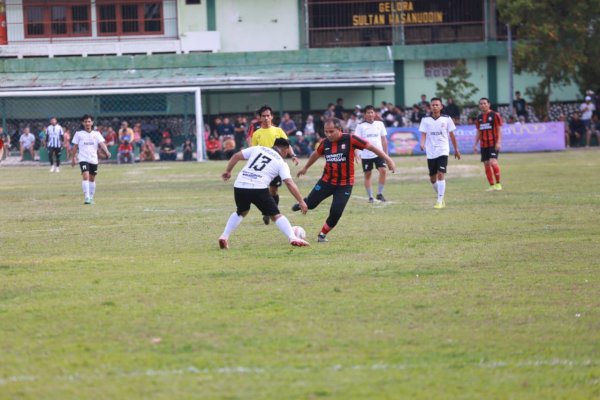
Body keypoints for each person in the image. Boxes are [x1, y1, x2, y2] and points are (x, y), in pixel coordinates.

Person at [293, 118, 396, 242]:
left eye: (331, 131)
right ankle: (303, 203)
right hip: (326, 181)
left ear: (339, 129)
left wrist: (388, 159)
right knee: (311, 205)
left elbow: (371, 147)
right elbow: (316, 153)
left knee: (336, 212)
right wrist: (305, 168)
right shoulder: (325, 142)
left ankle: (322, 235)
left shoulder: (351, 139)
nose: (328, 135)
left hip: (345, 184)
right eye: (326, 132)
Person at [218, 138, 309, 249]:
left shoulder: (258, 148)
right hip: (258, 188)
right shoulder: (281, 162)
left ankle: (224, 236)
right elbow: (289, 183)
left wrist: (228, 171)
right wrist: (301, 201)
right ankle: (293, 237)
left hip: (240, 185)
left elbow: (236, 156)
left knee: (241, 211)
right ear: (285, 150)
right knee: (276, 215)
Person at [251, 105, 299, 225]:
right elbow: (254, 150)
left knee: (274, 191)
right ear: (260, 118)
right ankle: (269, 212)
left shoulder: (278, 131)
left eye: (268, 115)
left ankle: (269, 213)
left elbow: (287, 145)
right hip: (263, 166)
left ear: (271, 117)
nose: (266, 118)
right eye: (264, 116)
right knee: (262, 191)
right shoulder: (257, 134)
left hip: (276, 165)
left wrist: (293, 155)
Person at [419, 97, 461, 209]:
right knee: (433, 178)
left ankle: (439, 201)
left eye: (437, 105)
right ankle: (441, 196)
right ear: (430, 107)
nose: (435, 106)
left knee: (441, 174)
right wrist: (422, 143)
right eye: (433, 105)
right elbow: (423, 134)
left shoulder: (447, 119)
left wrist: (456, 149)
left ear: (441, 107)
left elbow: (452, 135)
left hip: (443, 149)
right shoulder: (425, 120)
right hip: (431, 151)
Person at [71, 114, 111, 205]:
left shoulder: (96, 134)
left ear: (92, 123)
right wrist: (73, 158)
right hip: (83, 158)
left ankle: (92, 197)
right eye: (85, 122)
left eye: (89, 121)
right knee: (85, 176)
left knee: (92, 179)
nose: (87, 123)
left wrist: (107, 152)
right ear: (83, 123)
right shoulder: (79, 134)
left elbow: (102, 144)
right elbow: (75, 147)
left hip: (93, 159)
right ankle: (87, 197)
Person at [354, 105, 390, 202]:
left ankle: (379, 194)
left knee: (383, 171)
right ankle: (370, 196)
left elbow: (384, 140)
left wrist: (386, 155)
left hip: (379, 154)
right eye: (368, 112)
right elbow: (356, 141)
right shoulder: (360, 126)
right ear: (364, 115)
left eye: (372, 112)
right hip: (366, 155)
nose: (370, 114)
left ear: (375, 114)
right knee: (368, 174)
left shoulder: (380, 124)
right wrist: (356, 153)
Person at [473, 97, 503, 191]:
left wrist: (499, 142)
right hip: (483, 145)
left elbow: (499, 129)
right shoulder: (479, 118)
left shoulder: (495, 115)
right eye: (481, 104)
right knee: (486, 164)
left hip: (493, 144)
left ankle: (498, 184)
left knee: (493, 162)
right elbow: (478, 132)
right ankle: (491, 185)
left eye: (484, 103)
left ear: (489, 104)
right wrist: (475, 144)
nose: (483, 105)